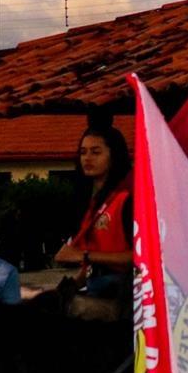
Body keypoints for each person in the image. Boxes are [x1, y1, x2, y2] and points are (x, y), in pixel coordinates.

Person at [54, 124, 134, 303]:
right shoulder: (91, 201)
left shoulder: (127, 198)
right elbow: (93, 266)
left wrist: (83, 255)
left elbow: (139, 256)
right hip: (96, 286)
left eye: (96, 152)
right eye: (83, 152)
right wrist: (68, 288)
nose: (87, 158)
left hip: (122, 293)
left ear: (114, 156)